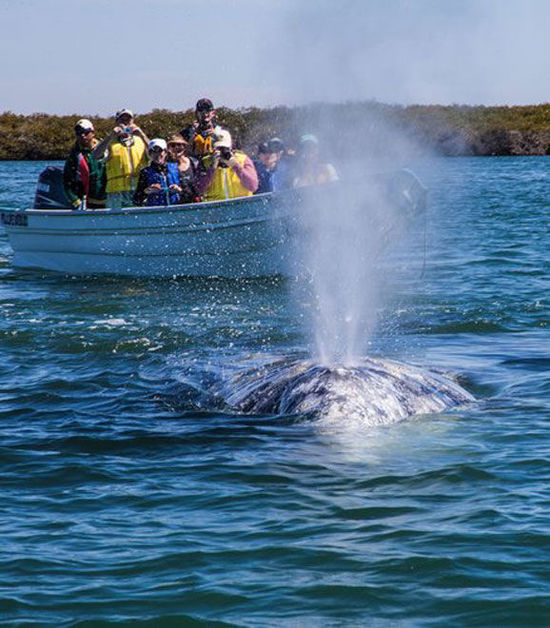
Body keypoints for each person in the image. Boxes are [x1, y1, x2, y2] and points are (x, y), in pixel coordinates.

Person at [93, 108, 149, 208]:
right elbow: (96, 156)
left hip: (138, 191)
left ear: (133, 122)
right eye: (122, 120)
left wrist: (142, 134)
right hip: (115, 193)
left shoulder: (141, 140)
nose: (125, 124)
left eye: (128, 120)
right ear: (117, 123)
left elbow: (158, 153)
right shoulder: (110, 143)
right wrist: (110, 136)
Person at [196, 129, 258, 201]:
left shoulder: (243, 159)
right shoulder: (205, 162)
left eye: (225, 149)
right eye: (219, 148)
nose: (222, 152)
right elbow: (199, 190)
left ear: (231, 148)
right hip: (216, 207)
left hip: (241, 204)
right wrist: (212, 168)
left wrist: (236, 166)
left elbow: (253, 186)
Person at [63, 119, 106, 209]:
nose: (82, 136)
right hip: (86, 202)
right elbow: (67, 182)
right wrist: (76, 201)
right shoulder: (74, 156)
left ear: (93, 133)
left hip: (108, 199)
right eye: (79, 133)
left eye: (85, 132)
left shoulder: (105, 149)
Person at [133, 139, 182, 207]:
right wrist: (147, 191)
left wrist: (179, 189)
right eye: (153, 151)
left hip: (176, 209)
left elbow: (188, 193)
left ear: (165, 152)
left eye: (160, 150)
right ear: (150, 154)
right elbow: (136, 200)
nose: (157, 154)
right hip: (156, 211)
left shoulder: (177, 168)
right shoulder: (145, 172)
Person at [166, 134, 201, 203]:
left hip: (196, 203)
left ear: (184, 147)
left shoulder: (195, 162)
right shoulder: (168, 167)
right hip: (178, 205)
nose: (176, 147)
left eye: (179, 145)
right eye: (173, 145)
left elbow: (202, 185)